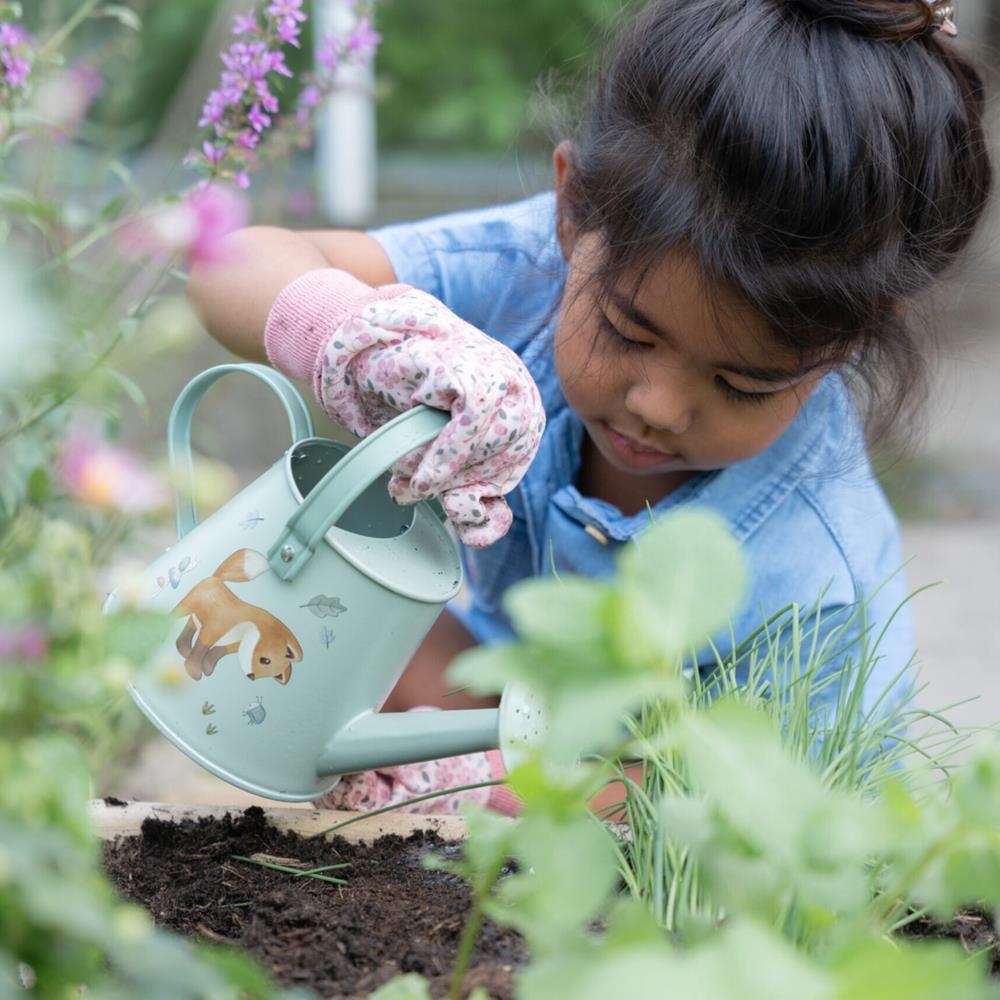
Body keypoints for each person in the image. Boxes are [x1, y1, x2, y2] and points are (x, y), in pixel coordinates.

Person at [187, 0, 992, 815]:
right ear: (574, 214)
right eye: (627, 334)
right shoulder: (529, 267)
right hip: (509, 699)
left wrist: (471, 789)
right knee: (332, 590)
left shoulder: (817, 574)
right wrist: (361, 336)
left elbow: (736, 818)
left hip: (662, 795)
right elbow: (230, 264)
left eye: (743, 385)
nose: (658, 406)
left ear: (846, 340)